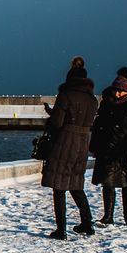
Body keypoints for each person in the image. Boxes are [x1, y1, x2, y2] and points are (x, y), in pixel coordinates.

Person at [41, 56, 97, 239]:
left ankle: (61, 229)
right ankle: (87, 223)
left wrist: (51, 115)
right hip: (82, 143)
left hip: (65, 142)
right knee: (76, 185)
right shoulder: (92, 99)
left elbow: (58, 122)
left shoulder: (66, 95)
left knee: (59, 186)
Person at [90, 67, 127, 226]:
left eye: (121, 91)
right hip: (107, 149)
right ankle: (108, 216)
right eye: (116, 90)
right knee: (108, 184)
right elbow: (98, 126)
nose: (117, 94)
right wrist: (95, 147)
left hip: (126, 151)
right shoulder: (106, 103)